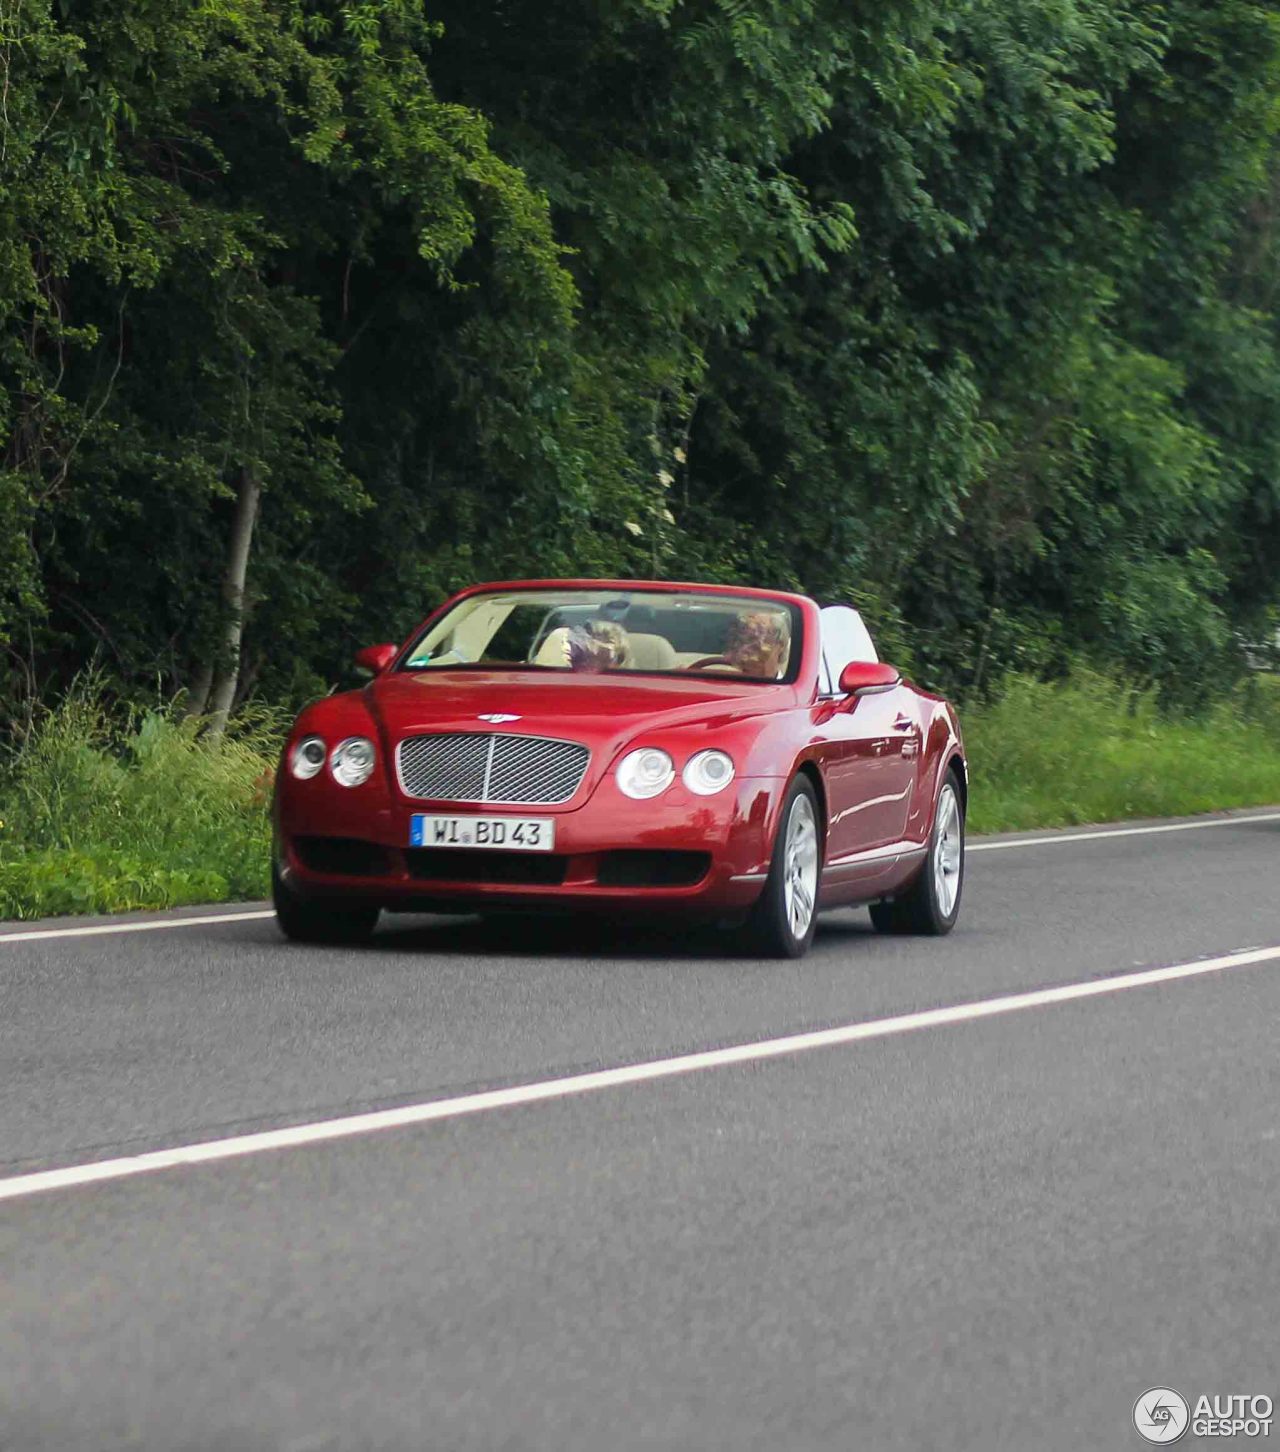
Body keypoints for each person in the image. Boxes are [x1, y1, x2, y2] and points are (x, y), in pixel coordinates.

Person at [722, 610, 789, 678]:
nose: (746, 649)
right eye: (743, 640)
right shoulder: (724, 684)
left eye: (761, 638)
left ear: (780, 645)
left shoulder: (793, 686)